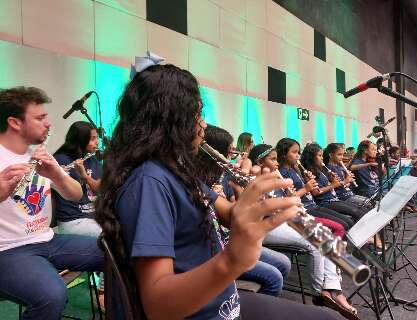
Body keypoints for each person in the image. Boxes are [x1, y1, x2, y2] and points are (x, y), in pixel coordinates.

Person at [95, 59, 337, 319]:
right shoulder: (148, 183)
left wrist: (258, 204)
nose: (204, 126)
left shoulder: (177, 171)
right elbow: (158, 306)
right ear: (171, 122)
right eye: (198, 115)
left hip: (222, 303)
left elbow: (230, 214)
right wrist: (232, 260)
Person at [0, 86, 104, 320]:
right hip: (7, 250)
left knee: (117, 251)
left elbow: (76, 195)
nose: (48, 123)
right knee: (52, 294)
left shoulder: (40, 155)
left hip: (47, 240)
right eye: (40, 118)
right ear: (15, 123)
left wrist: (56, 175)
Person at [248, 143, 358, 319]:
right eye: (272, 160)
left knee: (327, 236)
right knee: (314, 243)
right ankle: (319, 292)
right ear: (260, 161)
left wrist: (291, 197)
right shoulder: (253, 179)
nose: (276, 163)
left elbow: (285, 201)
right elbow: (262, 211)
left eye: (277, 159)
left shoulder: (275, 177)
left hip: (288, 217)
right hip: (267, 225)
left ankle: (334, 288)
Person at [196, 124, 292, 297]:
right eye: (229, 152)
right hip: (216, 247)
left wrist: (245, 194)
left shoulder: (222, 178)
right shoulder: (197, 182)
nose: (232, 158)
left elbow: (234, 211)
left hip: (227, 238)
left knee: (284, 263)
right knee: (274, 278)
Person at [53, 120, 105, 308]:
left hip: (92, 218)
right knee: (111, 238)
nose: (96, 143)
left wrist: (85, 175)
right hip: (72, 220)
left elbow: (100, 188)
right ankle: (102, 293)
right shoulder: (60, 160)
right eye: (92, 139)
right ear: (80, 140)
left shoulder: (91, 159)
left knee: (123, 227)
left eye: (96, 138)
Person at [301, 143, 365, 222]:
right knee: (355, 214)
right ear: (312, 157)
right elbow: (316, 192)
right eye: (319, 156)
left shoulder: (320, 169)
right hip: (326, 202)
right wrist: (334, 184)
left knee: (361, 210)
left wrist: (333, 180)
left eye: (322, 156)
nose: (322, 158)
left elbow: (332, 185)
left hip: (334, 199)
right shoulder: (310, 171)